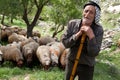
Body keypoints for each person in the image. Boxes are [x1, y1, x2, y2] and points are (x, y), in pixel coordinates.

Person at [61, 0, 104, 80]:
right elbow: (65, 43)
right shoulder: (72, 23)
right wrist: (78, 34)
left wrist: (91, 36)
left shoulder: (98, 30)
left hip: (87, 66)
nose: (87, 15)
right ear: (83, 12)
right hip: (71, 62)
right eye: (86, 11)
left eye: (91, 12)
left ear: (95, 16)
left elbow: (94, 53)